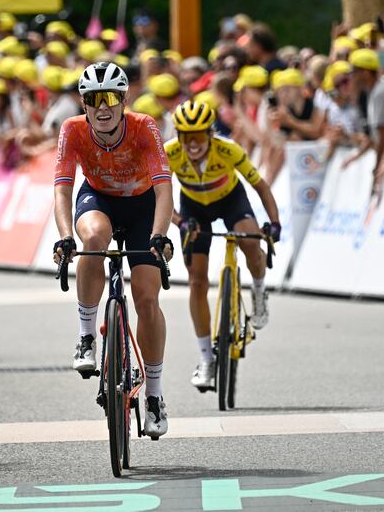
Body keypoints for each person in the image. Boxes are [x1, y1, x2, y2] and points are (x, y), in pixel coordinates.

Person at [53, 61, 174, 438]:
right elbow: (62, 187)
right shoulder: (72, 129)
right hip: (98, 200)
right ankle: (87, 335)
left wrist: (159, 235)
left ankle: (153, 396)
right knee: (92, 241)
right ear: (83, 103)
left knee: (146, 299)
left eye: (110, 98)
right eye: (92, 100)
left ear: (124, 100)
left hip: (142, 208)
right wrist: (63, 236)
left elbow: (163, 187)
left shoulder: (144, 127)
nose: (102, 108)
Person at [164, 100, 280, 390]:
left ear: (210, 133)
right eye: (186, 136)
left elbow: (261, 187)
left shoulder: (228, 149)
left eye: (199, 135)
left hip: (231, 200)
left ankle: (259, 291)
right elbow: (158, 198)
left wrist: (275, 223)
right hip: (193, 209)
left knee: (252, 244)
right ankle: (206, 359)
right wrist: (180, 223)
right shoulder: (169, 154)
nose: (192, 143)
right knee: (197, 282)